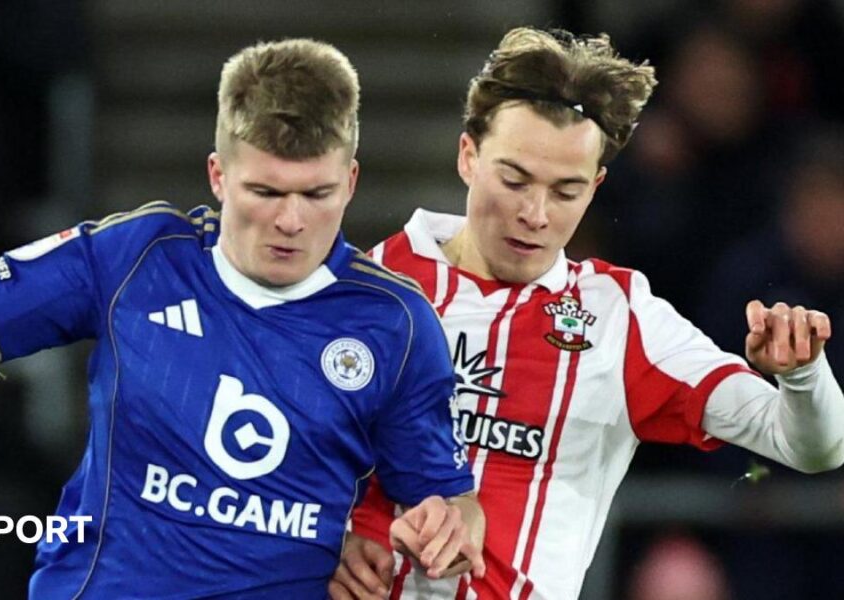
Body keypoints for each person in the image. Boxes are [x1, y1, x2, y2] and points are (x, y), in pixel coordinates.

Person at [0, 38, 485, 598]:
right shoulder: (137, 257)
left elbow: (450, 501)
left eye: (316, 194)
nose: (291, 221)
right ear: (218, 176)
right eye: (264, 192)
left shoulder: (394, 324)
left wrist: (444, 530)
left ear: (350, 181)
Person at [330, 27, 843, 600]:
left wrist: (802, 374)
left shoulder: (620, 320)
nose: (535, 213)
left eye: (565, 191)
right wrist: (332, 545)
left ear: (596, 185)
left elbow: (815, 447)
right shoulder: (359, 289)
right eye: (515, 179)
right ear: (468, 157)